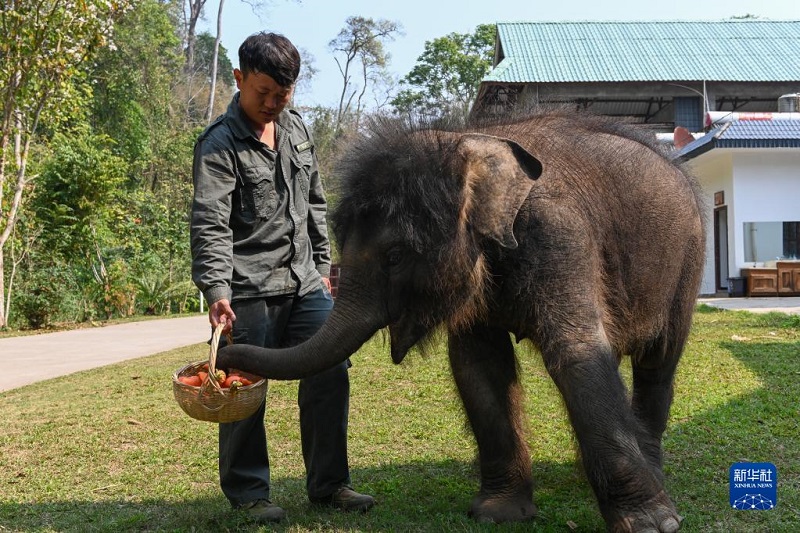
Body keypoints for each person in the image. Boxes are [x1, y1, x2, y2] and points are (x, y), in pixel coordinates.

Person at [190, 31, 375, 524]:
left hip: (304, 282)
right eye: (263, 93)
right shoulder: (218, 145)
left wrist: (322, 268)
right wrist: (217, 290)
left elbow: (314, 202)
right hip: (246, 287)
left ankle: (330, 483)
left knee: (330, 370)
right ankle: (250, 492)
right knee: (244, 388)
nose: (272, 104)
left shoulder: (295, 127)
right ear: (239, 79)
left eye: (282, 94)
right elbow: (210, 224)